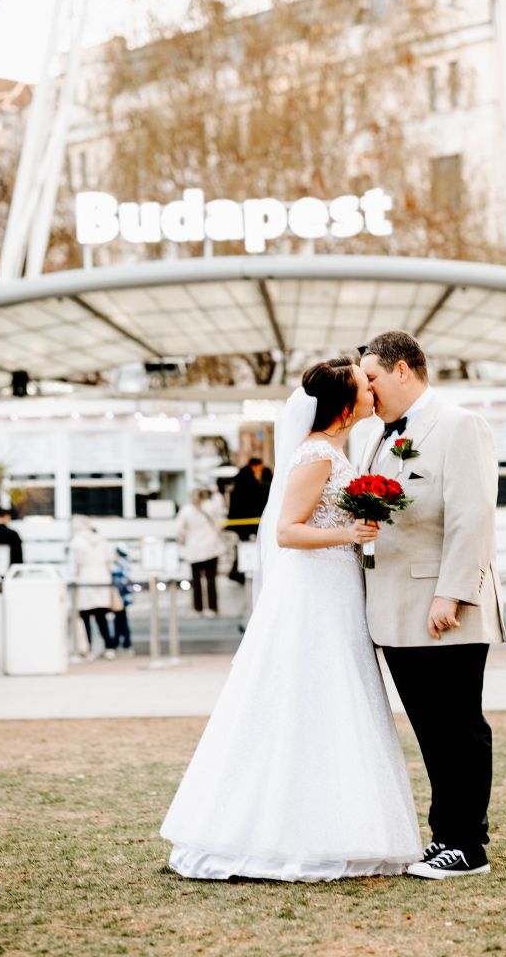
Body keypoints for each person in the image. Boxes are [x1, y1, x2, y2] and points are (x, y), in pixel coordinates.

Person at [160, 357, 422, 881]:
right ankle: (283, 832)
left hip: (339, 587)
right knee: (310, 692)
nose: (372, 391)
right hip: (315, 590)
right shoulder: (316, 453)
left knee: (341, 697)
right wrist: (349, 533)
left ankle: (345, 823)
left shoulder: (339, 451)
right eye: (363, 386)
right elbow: (287, 531)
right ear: (344, 405)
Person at [359, 330, 506, 880]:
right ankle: (448, 835)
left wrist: (453, 592)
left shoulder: (460, 425)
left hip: (444, 609)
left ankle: (465, 846)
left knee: (458, 728)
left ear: (402, 370)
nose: (366, 389)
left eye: (372, 377)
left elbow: (473, 514)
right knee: (431, 730)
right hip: (396, 611)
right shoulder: (378, 435)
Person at [69, 517, 117, 660]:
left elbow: (74, 564)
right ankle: (109, 647)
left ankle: (87, 648)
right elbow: (110, 561)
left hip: (85, 581)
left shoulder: (77, 542)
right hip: (102, 580)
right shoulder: (103, 540)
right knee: (102, 618)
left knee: (85, 618)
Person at [176, 488, 225, 619]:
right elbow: (220, 522)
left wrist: (183, 540)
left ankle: (198, 608)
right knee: (211, 579)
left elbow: (179, 529)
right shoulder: (210, 506)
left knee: (196, 580)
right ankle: (212, 608)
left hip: (194, 550)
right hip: (211, 547)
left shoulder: (186, 510)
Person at [226, 457, 269, 584]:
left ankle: (239, 572)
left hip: (242, 522)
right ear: (255, 466)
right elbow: (252, 502)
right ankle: (241, 573)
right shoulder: (248, 480)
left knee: (244, 548)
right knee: (247, 549)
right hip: (247, 522)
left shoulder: (241, 478)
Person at [111, 546, 134, 655]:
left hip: (120, 596)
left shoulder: (119, 564)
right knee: (121, 620)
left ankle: (123, 643)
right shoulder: (126, 563)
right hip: (124, 596)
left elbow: (118, 581)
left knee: (120, 621)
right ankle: (123, 643)